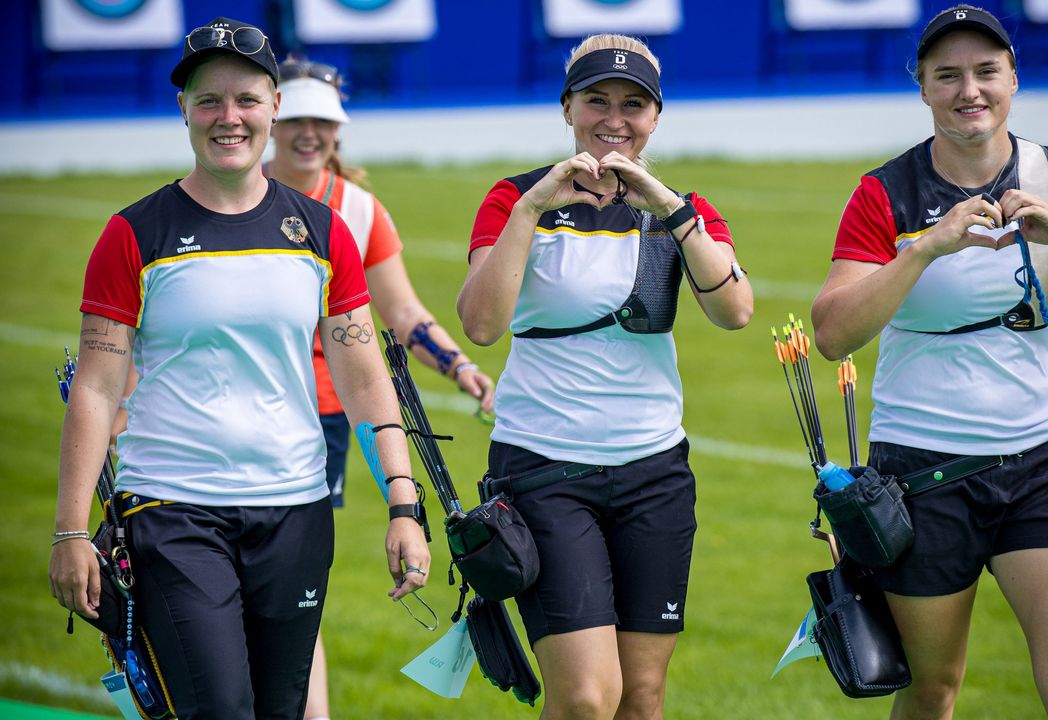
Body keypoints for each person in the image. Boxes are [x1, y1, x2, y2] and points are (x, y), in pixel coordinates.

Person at [810, 5, 1048, 718]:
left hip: (1045, 459)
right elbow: (832, 333)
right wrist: (925, 248)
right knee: (933, 687)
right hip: (924, 473)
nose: (969, 91)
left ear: (1014, 77)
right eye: (946, 76)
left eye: (986, 72)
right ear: (922, 88)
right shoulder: (885, 192)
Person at [47, 18, 431, 718]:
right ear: (184, 111)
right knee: (219, 707)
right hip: (173, 506)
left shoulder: (321, 232)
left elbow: (366, 377)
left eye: (248, 99)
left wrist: (404, 504)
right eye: (209, 101)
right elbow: (98, 389)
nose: (230, 117)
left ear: (275, 108)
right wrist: (72, 531)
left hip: (295, 507)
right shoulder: (134, 233)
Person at [457, 33, 752, 720]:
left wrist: (672, 211)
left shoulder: (681, 207)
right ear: (567, 108)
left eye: (633, 104)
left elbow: (734, 309)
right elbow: (480, 323)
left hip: (654, 471)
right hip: (545, 470)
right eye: (597, 100)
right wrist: (532, 209)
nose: (614, 119)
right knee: (588, 698)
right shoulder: (513, 199)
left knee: (642, 697)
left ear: (656, 118)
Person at [263, 55, 495, 720]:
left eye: (324, 122)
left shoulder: (360, 211)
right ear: (275, 119)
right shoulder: (235, 191)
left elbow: (403, 314)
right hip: (244, 407)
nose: (310, 135)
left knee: (292, 582)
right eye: (299, 120)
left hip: (328, 414)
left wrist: (460, 367)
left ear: (340, 130)